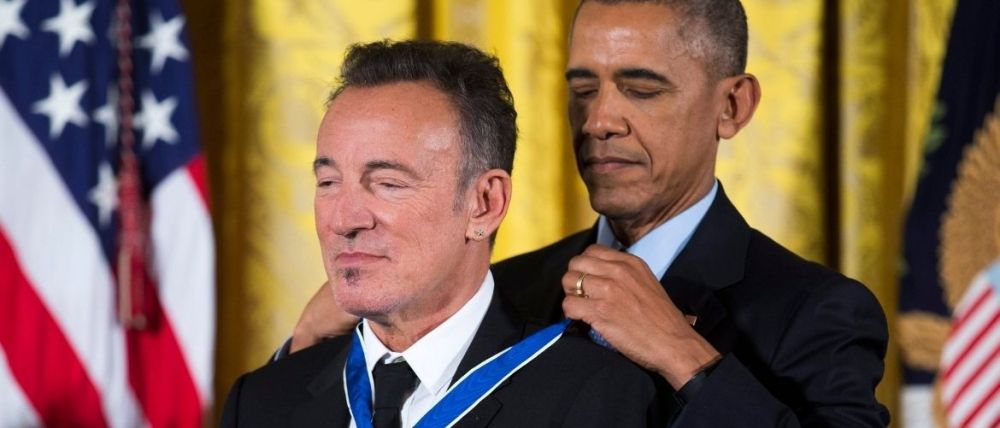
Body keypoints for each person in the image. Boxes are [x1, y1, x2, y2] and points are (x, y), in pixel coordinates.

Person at [283, 1, 891, 426]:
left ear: (732, 106)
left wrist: (684, 357)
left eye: (642, 90)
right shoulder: (502, 286)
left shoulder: (818, 312)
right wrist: (311, 355)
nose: (599, 121)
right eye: (582, 91)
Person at [221, 40, 660, 427]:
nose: (343, 220)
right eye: (328, 182)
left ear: (484, 204)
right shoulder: (261, 402)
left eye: (388, 183)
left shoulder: (592, 396)